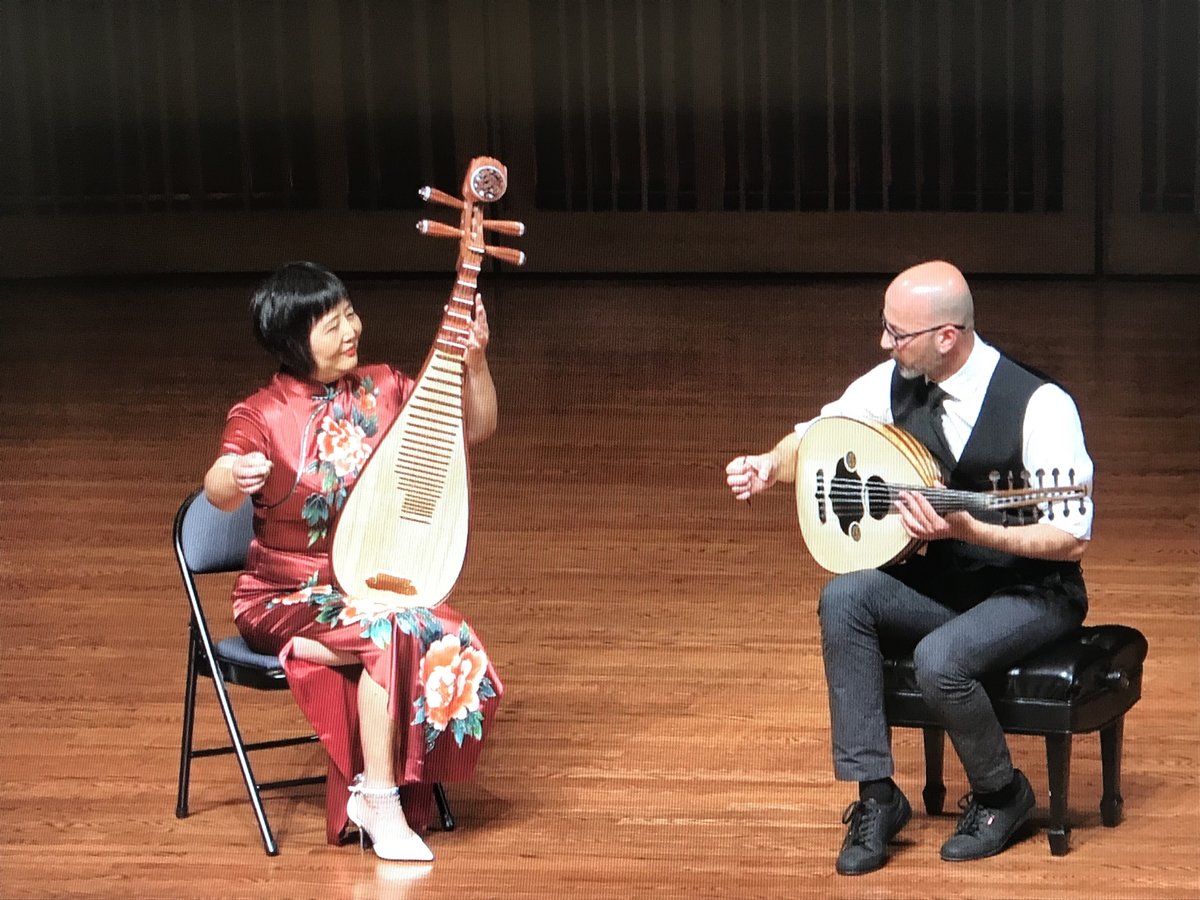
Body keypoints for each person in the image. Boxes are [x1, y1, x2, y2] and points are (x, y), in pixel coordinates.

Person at [725, 260, 1093, 875]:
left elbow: (1071, 537)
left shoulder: (1041, 405)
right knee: (846, 598)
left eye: (898, 334)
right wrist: (769, 464)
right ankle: (876, 795)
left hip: (1031, 590)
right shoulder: (893, 382)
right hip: (951, 582)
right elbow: (817, 436)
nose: (885, 343)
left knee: (939, 659)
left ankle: (1003, 794)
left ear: (946, 337)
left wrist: (974, 528)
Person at [204, 261, 503, 861]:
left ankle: (380, 790)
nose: (351, 330)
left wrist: (474, 362)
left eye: (349, 315)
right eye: (331, 324)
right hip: (285, 596)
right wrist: (235, 477)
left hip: (364, 590)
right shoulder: (260, 414)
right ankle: (381, 803)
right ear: (293, 341)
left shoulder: (385, 387)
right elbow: (217, 484)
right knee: (392, 634)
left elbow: (477, 425)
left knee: (441, 628)